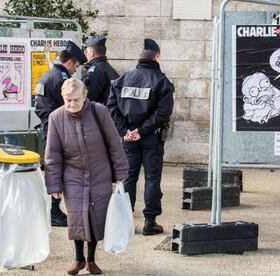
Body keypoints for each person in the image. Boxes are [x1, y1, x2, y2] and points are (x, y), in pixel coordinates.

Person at [45, 78, 129, 275]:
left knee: (95, 218)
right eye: (68, 100)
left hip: (100, 173)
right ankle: (78, 258)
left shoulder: (99, 112)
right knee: (77, 217)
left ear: (84, 97)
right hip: (72, 175)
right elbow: (53, 155)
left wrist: (120, 173)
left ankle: (91, 259)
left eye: (76, 99)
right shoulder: (56, 118)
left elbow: (114, 145)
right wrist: (54, 185)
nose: (72, 104)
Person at [107, 38, 174, 236]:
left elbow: (111, 107)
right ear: (157, 57)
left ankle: (126, 221)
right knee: (152, 178)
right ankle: (150, 222)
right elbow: (163, 113)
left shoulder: (123, 79)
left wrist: (125, 131)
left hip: (128, 138)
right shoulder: (162, 82)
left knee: (128, 179)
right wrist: (142, 131)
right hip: (151, 138)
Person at [34, 41, 87, 227]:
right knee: (58, 170)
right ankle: (53, 210)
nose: (75, 71)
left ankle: (52, 209)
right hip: (58, 131)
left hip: (48, 128)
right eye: (77, 66)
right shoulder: (62, 78)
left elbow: (39, 108)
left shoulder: (47, 75)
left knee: (53, 168)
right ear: (71, 62)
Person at [82, 36, 119, 104]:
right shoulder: (109, 69)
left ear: (91, 53)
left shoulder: (94, 71)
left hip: (96, 113)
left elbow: (88, 98)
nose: (85, 54)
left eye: (86, 52)